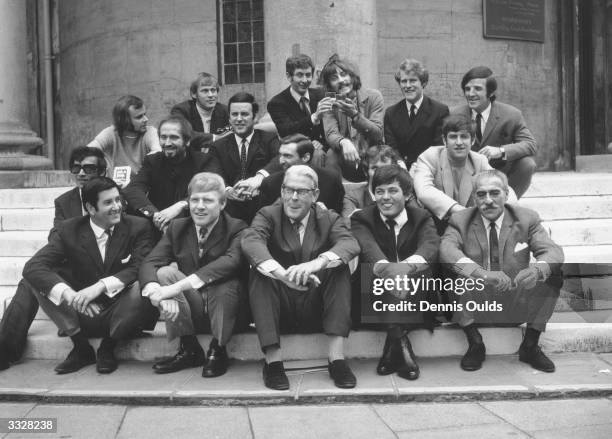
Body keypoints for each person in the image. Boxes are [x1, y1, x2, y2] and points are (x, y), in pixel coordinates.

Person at [241, 165, 360, 390]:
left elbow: (349, 243)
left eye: (302, 192)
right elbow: (251, 241)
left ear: (315, 195)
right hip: (280, 309)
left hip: (317, 307)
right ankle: (273, 363)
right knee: (260, 271)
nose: (293, 198)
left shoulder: (328, 217)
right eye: (288, 190)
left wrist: (316, 264)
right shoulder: (268, 214)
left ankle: (337, 360)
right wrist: (283, 275)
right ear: (282, 191)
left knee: (338, 267)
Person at [22, 177, 156, 374]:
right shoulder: (69, 230)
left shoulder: (138, 226)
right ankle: (81, 347)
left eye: (118, 200)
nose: (117, 207)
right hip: (82, 312)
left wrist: (99, 286)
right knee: (36, 279)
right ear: (91, 208)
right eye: (108, 202)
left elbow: (139, 266)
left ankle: (108, 347)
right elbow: (33, 266)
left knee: (141, 285)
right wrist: (71, 296)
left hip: (122, 313)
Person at [440, 170, 564, 373]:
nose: (488, 200)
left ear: (506, 194)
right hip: (476, 304)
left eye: (494, 193)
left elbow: (552, 251)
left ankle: (530, 346)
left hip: (514, 302)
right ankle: (475, 343)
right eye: (481, 194)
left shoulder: (526, 218)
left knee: (552, 273)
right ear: (474, 197)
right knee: (452, 269)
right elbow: (447, 250)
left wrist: (537, 270)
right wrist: (482, 274)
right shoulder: (460, 220)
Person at [0, 147, 108, 371]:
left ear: (102, 172)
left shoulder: (114, 198)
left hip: (103, 277)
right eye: (76, 168)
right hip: (73, 270)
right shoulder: (65, 201)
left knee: (33, 278)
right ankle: (4, 350)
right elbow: (56, 236)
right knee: (33, 276)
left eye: (88, 168)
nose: (81, 173)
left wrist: (72, 240)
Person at [139, 173, 247, 377]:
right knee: (164, 273)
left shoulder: (237, 228)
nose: (199, 206)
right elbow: (151, 262)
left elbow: (230, 262)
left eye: (208, 200)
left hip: (228, 310)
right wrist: (155, 291)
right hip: (192, 309)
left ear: (222, 203)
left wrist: (174, 289)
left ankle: (218, 349)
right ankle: (189, 348)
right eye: (195, 200)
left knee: (226, 283)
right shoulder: (178, 227)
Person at [351, 165, 439, 380]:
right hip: (373, 296)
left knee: (421, 269)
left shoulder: (422, 217)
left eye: (393, 191)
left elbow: (429, 245)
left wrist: (405, 269)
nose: (385, 197)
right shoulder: (362, 218)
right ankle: (401, 343)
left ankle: (393, 346)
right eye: (379, 191)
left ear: (408, 194)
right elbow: (370, 250)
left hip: (413, 295)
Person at [412, 114, 518, 233]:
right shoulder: (430, 156)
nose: (459, 142)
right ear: (444, 140)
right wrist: (461, 211)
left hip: (470, 225)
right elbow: (424, 191)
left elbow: (506, 190)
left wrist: (497, 208)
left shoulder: (479, 161)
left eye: (464, 137)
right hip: (435, 224)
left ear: (472, 140)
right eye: (453, 137)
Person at [123, 116, 221, 233]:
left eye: (174, 137)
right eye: (163, 137)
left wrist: (180, 205)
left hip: (194, 227)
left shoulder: (204, 161)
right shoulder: (152, 161)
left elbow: (211, 190)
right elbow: (133, 189)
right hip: (158, 228)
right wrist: (156, 215)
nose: (167, 143)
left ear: (187, 141)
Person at [451, 66, 537, 198]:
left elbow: (530, 144)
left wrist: (500, 151)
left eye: (477, 89)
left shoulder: (511, 114)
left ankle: (508, 204)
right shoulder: (454, 114)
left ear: (490, 93)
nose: (471, 94)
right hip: (464, 173)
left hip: (498, 173)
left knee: (527, 164)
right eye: (467, 89)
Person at [211, 92, 281, 222]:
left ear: (255, 117)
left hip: (263, 207)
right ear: (229, 118)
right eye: (234, 114)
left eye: (244, 114)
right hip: (229, 209)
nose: (238, 119)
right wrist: (227, 190)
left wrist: (258, 179)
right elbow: (214, 172)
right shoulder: (218, 146)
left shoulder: (269, 139)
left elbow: (279, 160)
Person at [320, 54, 384, 182]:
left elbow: (377, 133)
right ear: (330, 85)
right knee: (331, 155)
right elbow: (331, 133)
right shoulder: (329, 102)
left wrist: (355, 116)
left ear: (352, 76)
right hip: (345, 155)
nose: (341, 80)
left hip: (371, 151)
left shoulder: (373, 96)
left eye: (344, 74)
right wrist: (344, 142)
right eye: (334, 78)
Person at [267, 54, 332, 167]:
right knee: (316, 154)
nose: (305, 80)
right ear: (289, 76)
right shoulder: (277, 103)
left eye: (308, 75)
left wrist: (322, 143)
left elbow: (331, 124)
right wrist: (313, 118)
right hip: (296, 150)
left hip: (322, 148)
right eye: (300, 75)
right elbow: (286, 131)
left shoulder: (321, 95)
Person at [384, 59, 449, 168]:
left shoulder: (440, 111)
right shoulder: (391, 113)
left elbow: (439, 147)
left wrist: (418, 166)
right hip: (400, 169)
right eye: (404, 81)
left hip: (429, 168)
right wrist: (400, 163)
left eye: (413, 80)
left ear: (423, 83)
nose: (408, 85)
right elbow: (391, 148)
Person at [258, 134, 344, 213]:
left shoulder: (331, 181)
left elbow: (337, 216)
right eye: (280, 155)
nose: (281, 161)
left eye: (287, 156)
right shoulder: (270, 184)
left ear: (306, 157)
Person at [88, 95, 160, 179]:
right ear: (124, 120)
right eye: (139, 117)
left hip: (143, 185)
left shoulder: (150, 132)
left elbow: (158, 152)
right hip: (115, 188)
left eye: (144, 114)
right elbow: (87, 152)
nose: (146, 119)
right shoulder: (111, 133)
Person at [170, 72, 231, 151]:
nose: (210, 95)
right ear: (194, 94)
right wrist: (215, 138)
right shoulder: (181, 110)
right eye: (205, 91)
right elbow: (182, 134)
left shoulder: (225, 111)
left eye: (213, 90)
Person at [342, 145, 404, 217]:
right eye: (375, 169)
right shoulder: (353, 197)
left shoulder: (404, 194)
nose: (381, 173)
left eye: (386, 168)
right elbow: (347, 224)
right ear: (366, 171)